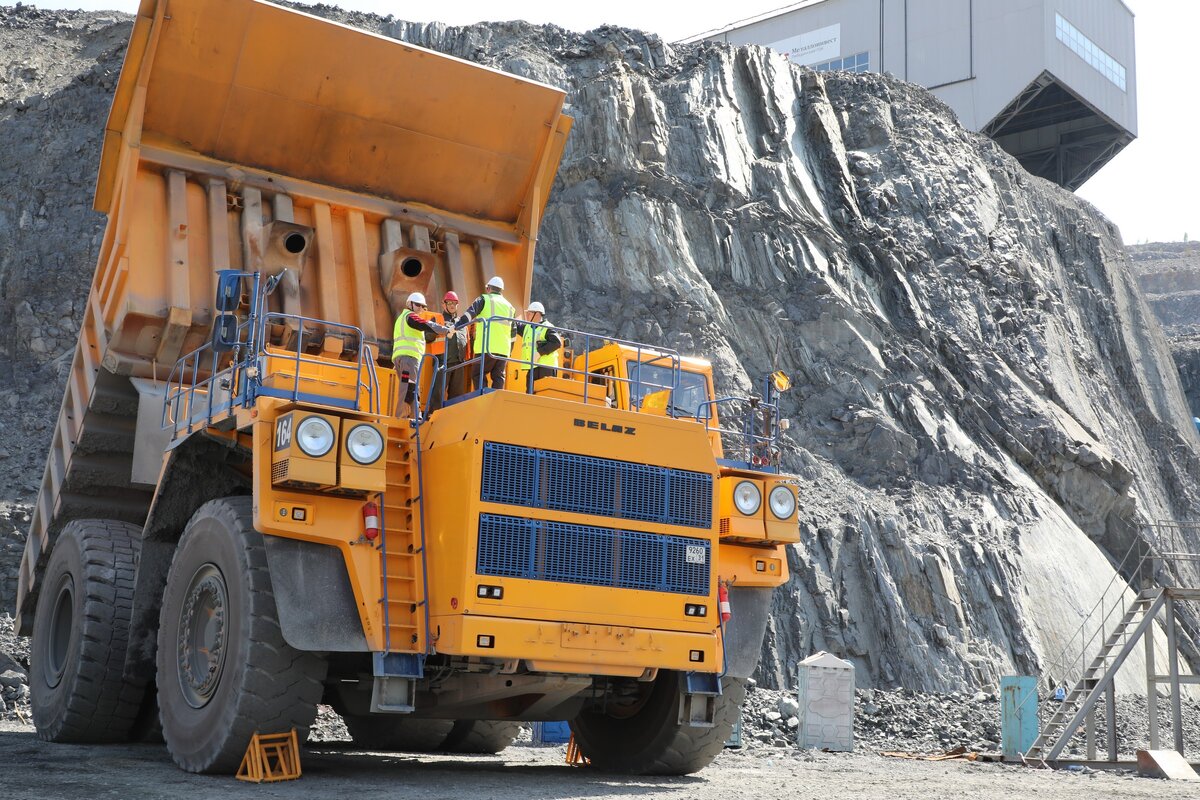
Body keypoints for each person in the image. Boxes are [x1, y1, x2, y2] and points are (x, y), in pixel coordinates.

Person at [392, 292, 449, 419]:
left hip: (404, 359)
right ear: (409, 304)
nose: (420, 309)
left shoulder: (401, 319)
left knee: (411, 388)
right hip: (409, 359)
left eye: (423, 307)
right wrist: (445, 330)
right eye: (418, 305)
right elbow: (425, 324)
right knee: (407, 389)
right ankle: (401, 418)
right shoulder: (410, 317)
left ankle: (414, 417)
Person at [455, 276, 515, 390]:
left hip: (486, 348)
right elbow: (513, 333)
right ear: (501, 291)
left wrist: (456, 326)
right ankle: (496, 400)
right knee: (498, 376)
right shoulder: (510, 307)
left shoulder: (484, 299)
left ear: (488, 288)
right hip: (503, 351)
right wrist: (509, 352)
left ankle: (482, 399)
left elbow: (469, 314)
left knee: (478, 374)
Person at [515, 301, 563, 392]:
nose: (527, 315)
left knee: (545, 394)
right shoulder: (527, 327)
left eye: (529, 313)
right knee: (530, 393)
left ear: (537, 314)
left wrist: (539, 352)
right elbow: (515, 325)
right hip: (533, 366)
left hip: (546, 367)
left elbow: (557, 342)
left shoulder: (548, 327)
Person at [439, 291, 470, 401]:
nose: (452, 305)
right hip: (443, 362)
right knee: (438, 392)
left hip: (458, 363)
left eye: (454, 303)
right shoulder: (439, 319)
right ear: (444, 304)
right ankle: (431, 413)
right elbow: (428, 337)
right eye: (449, 303)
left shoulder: (461, 323)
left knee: (456, 395)